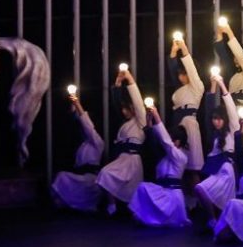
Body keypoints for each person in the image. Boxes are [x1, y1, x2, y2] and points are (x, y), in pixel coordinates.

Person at [128, 105, 190, 227]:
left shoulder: (181, 157)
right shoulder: (165, 157)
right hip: (163, 192)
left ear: (177, 142)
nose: (170, 141)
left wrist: (156, 116)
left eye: (172, 139)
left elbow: (165, 141)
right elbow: (154, 143)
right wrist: (149, 122)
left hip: (172, 196)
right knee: (143, 187)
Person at [96, 66, 146, 215]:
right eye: (123, 109)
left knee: (134, 191)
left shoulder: (140, 122)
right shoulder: (124, 124)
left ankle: (134, 212)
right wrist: (118, 83)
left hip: (133, 160)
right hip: (122, 159)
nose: (124, 112)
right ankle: (112, 205)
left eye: (126, 109)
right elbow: (117, 105)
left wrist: (130, 80)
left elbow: (138, 103)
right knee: (105, 174)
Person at [193, 74, 240, 229]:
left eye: (220, 119)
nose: (216, 121)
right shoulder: (213, 133)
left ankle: (222, 224)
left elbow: (231, 108)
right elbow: (209, 110)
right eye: (215, 119)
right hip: (215, 169)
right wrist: (213, 84)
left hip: (226, 169)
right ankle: (212, 219)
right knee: (201, 189)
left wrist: (221, 83)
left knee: (226, 202)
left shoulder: (232, 129)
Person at [50, 91, 105, 212]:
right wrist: (73, 107)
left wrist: (77, 103)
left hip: (91, 179)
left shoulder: (98, 142)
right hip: (81, 176)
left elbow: (88, 126)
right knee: (62, 176)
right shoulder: (82, 146)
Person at [166, 37, 205, 191]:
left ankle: (197, 198)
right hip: (177, 123)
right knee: (177, 165)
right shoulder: (179, 90)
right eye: (180, 74)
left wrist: (184, 49)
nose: (181, 77)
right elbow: (172, 70)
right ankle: (179, 197)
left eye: (184, 74)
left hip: (189, 124)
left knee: (192, 166)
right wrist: (173, 52)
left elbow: (191, 69)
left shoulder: (197, 86)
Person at [213, 20, 243, 114]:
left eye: (236, 56)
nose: (235, 58)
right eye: (234, 56)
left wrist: (229, 32)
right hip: (231, 112)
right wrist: (219, 34)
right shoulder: (234, 74)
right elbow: (223, 55)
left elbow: (240, 55)